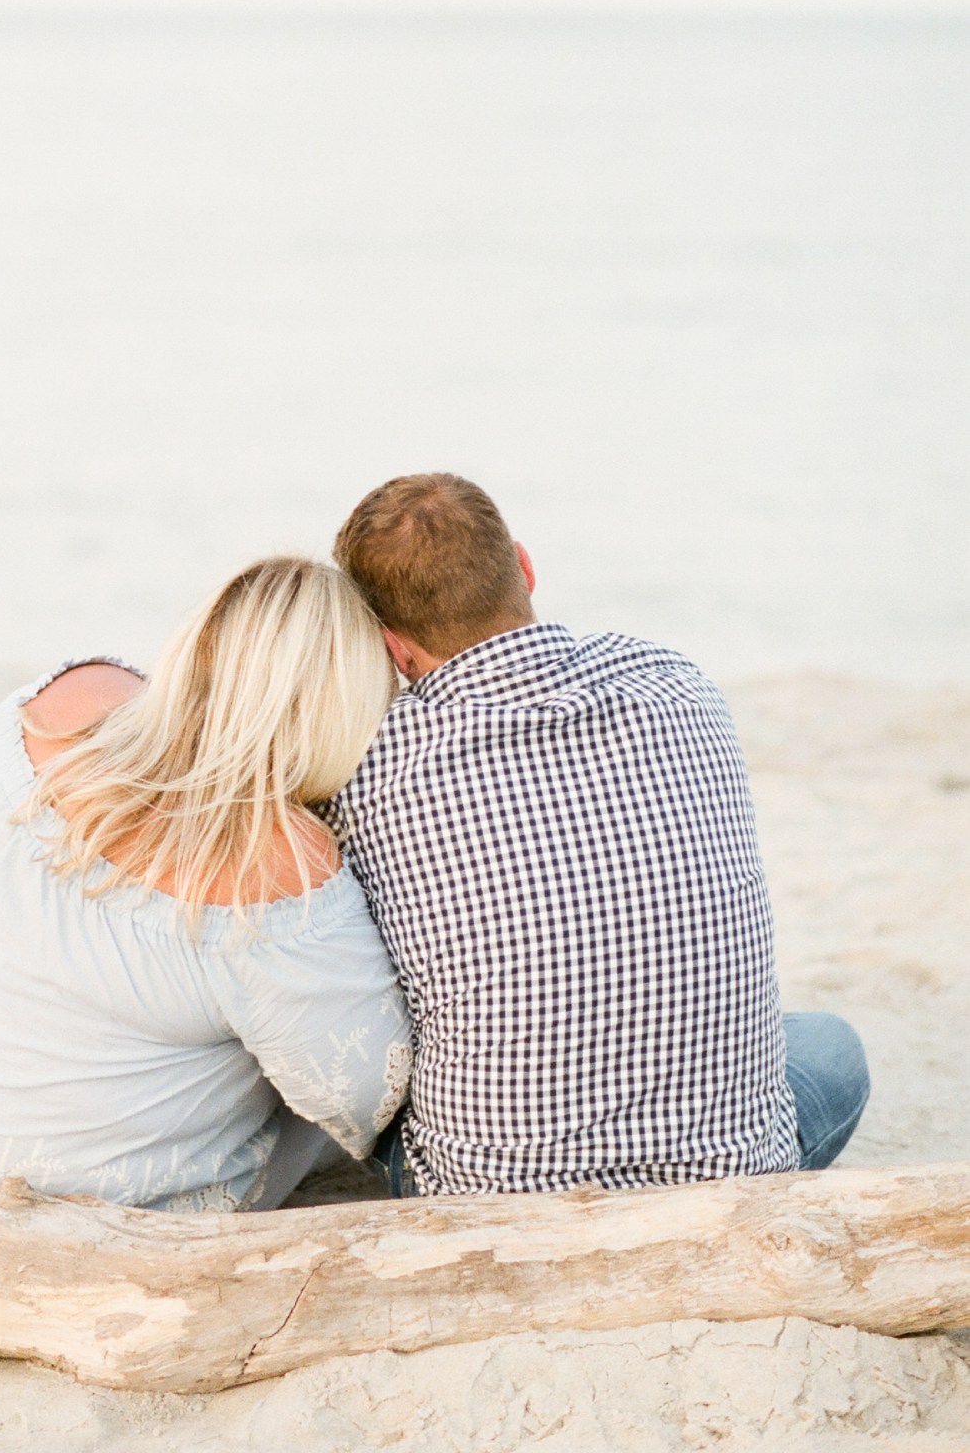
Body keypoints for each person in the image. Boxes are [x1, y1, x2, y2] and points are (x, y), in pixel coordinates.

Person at [0, 558, 413, 1212]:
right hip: (35, 1225)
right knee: (297, 1061)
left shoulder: (67, 698)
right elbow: (364, 1102)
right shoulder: (274, 859)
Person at [325, 473, 869, 1199]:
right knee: (830, 1045)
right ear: (522, 565)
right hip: (730, 1180)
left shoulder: (365, 764)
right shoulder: (677, 683)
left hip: (487, 1198)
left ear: (391, 646)